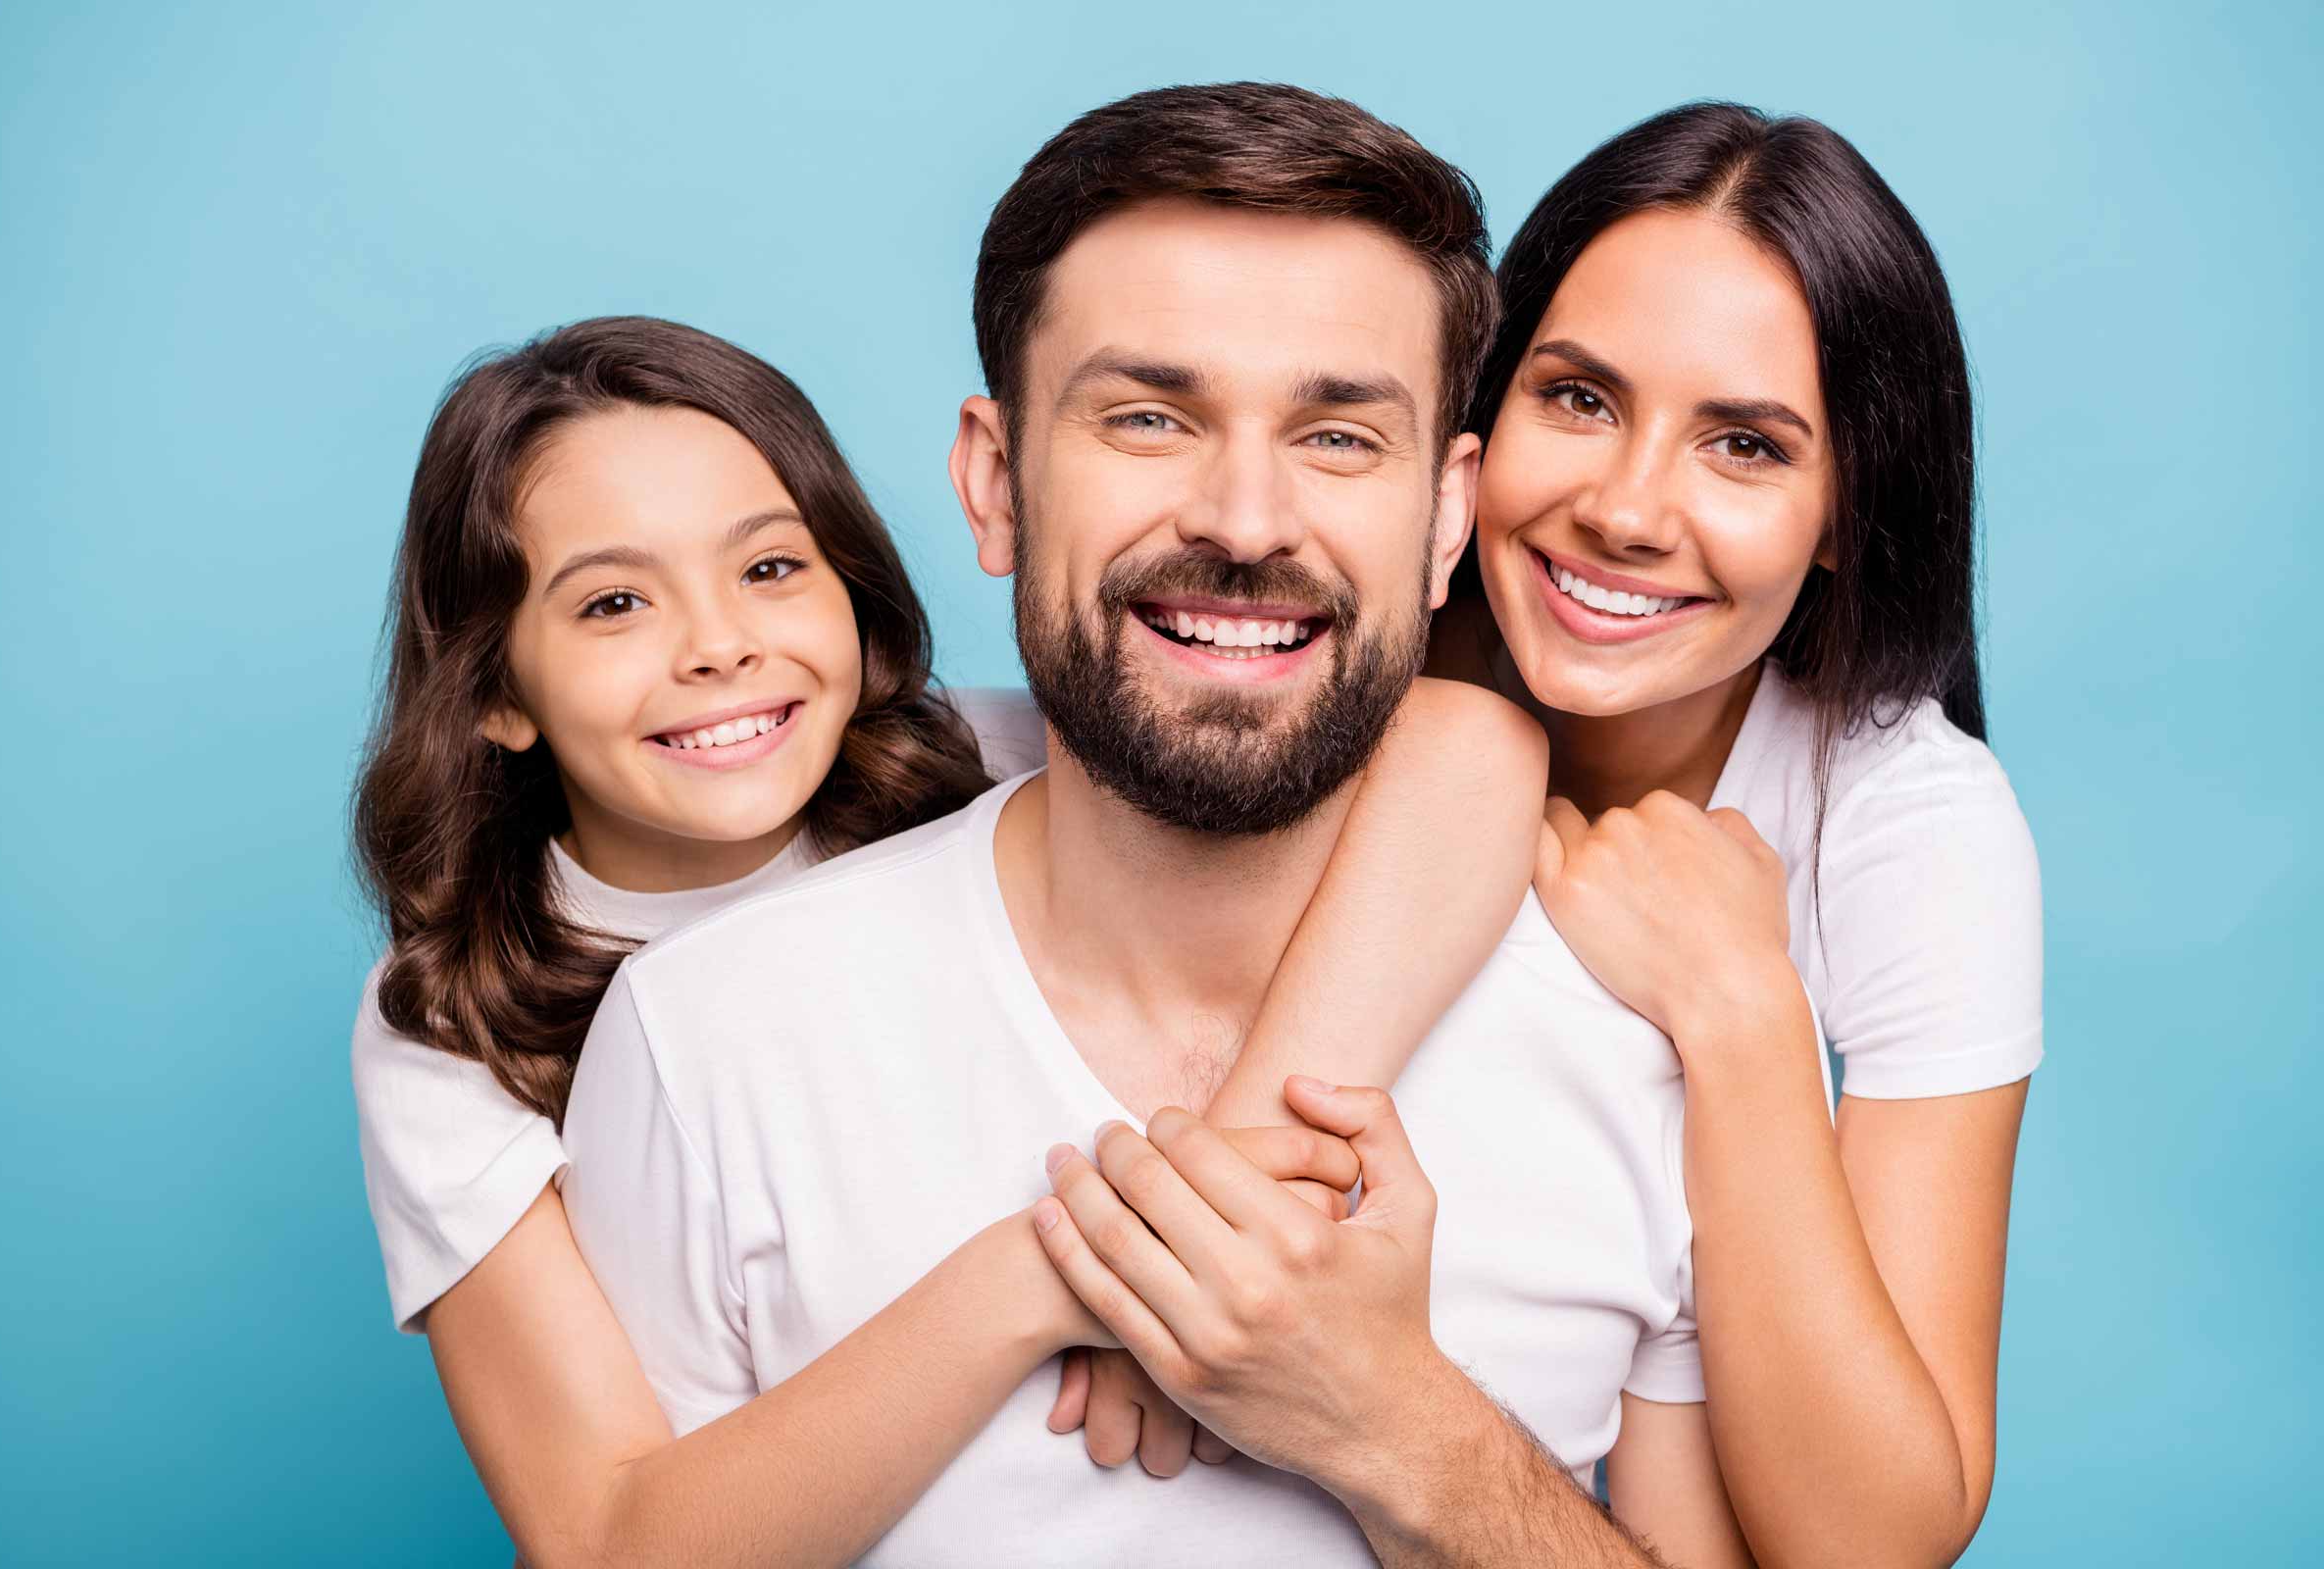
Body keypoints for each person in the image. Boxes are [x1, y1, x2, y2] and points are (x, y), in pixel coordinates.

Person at [561, 83, 1748, 1567]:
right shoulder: (709, 1045)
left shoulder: (1643, 1054)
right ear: (997, 483)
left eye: (1337, 436)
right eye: (1147, 417)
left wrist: (1404, 1433)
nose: (1247, 520)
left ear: (1449, 518)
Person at [348, 314, 1534, 1562]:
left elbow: (1465, 748)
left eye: (767, 569)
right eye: (614, 602)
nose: (718, 646)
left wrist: (1215, 1197)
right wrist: (1072, 1273)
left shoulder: (988, 763)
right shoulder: (446, 1021)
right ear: (494, 689)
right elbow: (603, 1538)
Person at [1054, 102, 2041, 1568]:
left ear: (1849, 512)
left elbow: (1874, 1538)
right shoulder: (1326, 626)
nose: (1627, 510)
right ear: (1477, 427)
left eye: (1746, 447)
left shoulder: (1908, 826)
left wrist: (1741, 1015)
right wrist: (1224, 1205)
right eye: (1578, 399)